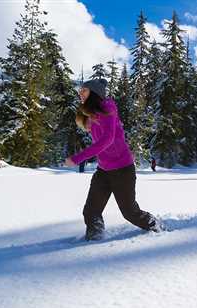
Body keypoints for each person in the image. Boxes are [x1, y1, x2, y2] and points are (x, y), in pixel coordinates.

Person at [64, 78, 165, 241]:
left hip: (122, 169)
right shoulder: (91, 113)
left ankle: (156, 225)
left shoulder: (108, 108)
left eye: (84, 90)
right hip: (103, 171)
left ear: (94, 93)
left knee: (130, 213)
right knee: (91, 211)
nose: (80, 93)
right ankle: (94, 239)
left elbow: (107, 140)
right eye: (79, 91)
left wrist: (78, 158)